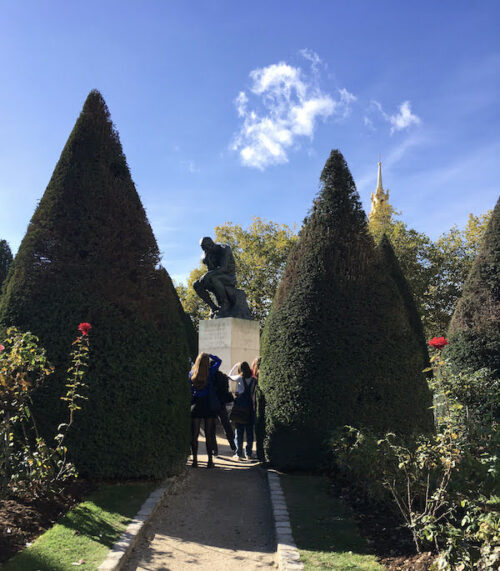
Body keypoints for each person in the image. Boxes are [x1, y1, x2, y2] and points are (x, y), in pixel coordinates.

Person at [189, 352, 221, 468]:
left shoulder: (192, 373)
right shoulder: (210, 372)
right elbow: (219, 361)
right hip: (208, 404)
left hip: (197, 404)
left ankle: (195, 461)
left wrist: (200, 357)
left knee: (195, 434)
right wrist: (210, 355)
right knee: (209, 434)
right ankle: (210, 461)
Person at [229, 361, 257, 460]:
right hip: (250, 407)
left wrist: (235, 366)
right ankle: (248, 453)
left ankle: (238, 453)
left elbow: (229, 376)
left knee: (239, 431)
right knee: (249, 432)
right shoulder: (254, 380)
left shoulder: (239, 378)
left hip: (240, 407)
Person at [210, 369, 236, 456]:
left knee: (211, 427)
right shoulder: (223, 376)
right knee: (226, 424)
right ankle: (233, 445)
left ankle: (214, 449)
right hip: (221, 403)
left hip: (212, 403)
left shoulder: (209, 377)